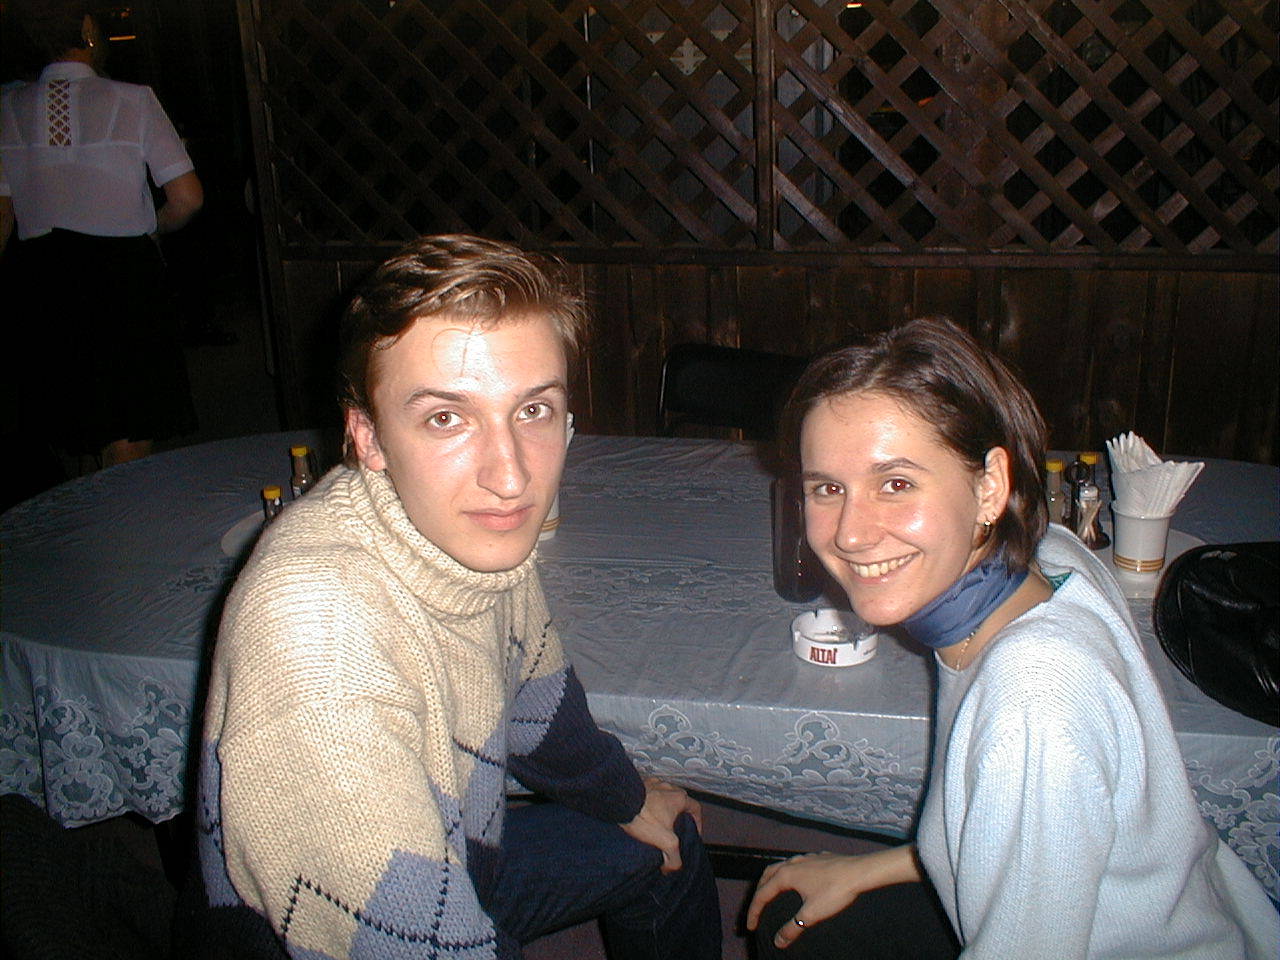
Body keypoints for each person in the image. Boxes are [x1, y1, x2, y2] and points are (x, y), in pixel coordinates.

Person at [182, 235, 721, 959]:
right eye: (446, 417)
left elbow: (535, 699)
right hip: (339, 936)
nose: (511, 476)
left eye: (533, 410)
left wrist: (626, 797)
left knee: (668, 840)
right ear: (368, 437)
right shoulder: (316, 644)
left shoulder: (463, 535)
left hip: (459, 853)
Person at [746, 317, 1279, 959]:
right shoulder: (1052, 555)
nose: (850, 533)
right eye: (828, 488)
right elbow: (1030, 825)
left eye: (896, 483)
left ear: (989, 485)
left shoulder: (1033, 700)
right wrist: (868, 869)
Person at [0, 0, 202, 469]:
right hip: (121, 277)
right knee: (128, 431)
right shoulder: (134, 99)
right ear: (88, 30)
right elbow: (188, 198)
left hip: (44, 278)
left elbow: (3, 215)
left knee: (72, 422)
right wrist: (153, 228)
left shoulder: (6, 108)